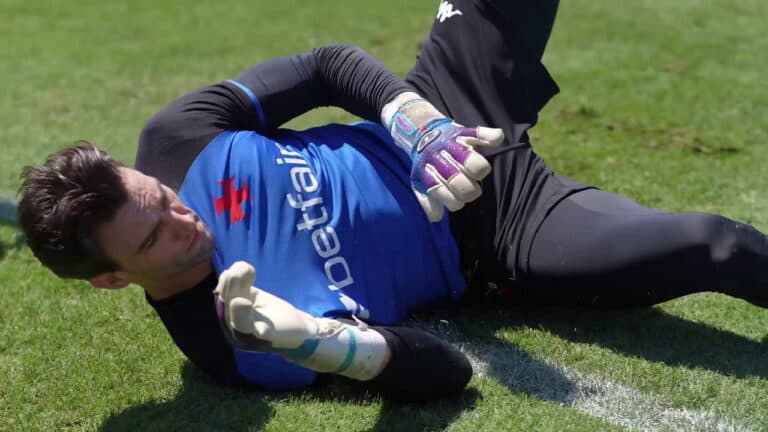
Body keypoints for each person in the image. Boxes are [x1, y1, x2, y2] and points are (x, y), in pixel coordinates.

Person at [17, 0, 768, 401]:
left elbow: (324, 65)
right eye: (152, 241)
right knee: (716, 245)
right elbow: (447, 376)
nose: (183, 219)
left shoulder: (178, 139)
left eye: (163, 200)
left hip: (443, 107)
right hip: (502, 237)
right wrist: (316, 340)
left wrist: (418, 124)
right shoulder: (233, 347)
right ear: (114, 279)